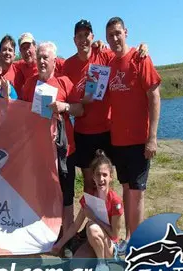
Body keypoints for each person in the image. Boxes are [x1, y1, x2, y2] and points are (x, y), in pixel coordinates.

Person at [64, 19, 149, 195]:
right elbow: (63, 94)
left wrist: (142, 47)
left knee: (105, 180)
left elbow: (123, 53)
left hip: (106, 131)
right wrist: (82, 102)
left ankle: (108, 220)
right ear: (74, 40)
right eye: (79, 36)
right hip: (83, 132)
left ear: (92, 36)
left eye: (86, 35)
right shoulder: (68, 65)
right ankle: (91, 221)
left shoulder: (104, 54)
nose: (83, 39)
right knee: (89, 182)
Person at [21, 41, 83, 258]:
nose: (41, 61)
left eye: (46, 57)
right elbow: (19, 111)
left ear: (55, 61)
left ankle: (68, 239)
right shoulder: (30, 84)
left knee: (66, 195)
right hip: (39, 150)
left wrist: (64, 107)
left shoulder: (65, 82)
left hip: (64, 149)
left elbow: (80, 108)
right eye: (39, 57)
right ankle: (44, 236)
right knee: (43, 195)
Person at [105, 17, 161, 252]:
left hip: (139, 139)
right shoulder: (109, 62)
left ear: (126, 32)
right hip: (118, 140)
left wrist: (152, 137)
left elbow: (154, 96)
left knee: (137, 193)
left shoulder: (140, 58)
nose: (115, 38)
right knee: (127, 188)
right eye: (110, 35)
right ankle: (129, 238)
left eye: (118, 33)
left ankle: (138, 245)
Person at [52, 150, 124, 271]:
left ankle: (103, 265)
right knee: (74, 268)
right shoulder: (89, 198)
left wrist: (94, 218)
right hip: (93, 240)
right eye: (98, 175)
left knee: (91, 227)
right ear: (93, 177)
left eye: (105, 175)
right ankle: (95, 260)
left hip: (109, 245)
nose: (101, 179)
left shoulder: (115, 202)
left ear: (110, 177)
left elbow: (114, 234)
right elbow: (75, 226)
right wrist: (59, 244)